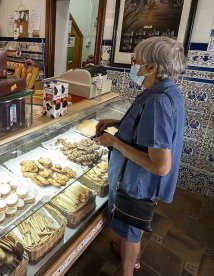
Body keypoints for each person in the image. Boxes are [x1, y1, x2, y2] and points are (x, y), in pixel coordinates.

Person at [93, 36, 186, 276]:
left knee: (131, 227)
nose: (134, 65)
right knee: (133, 226)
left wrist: (113, 141)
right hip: (142, 185)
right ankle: (127, 246)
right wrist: (118, 123)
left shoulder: (158, 101)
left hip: (137, 184)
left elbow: (160, 165)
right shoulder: (167, 90)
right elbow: (150, 131)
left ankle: (128, 267)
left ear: (152, 68)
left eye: (137, 61)